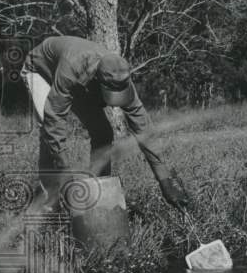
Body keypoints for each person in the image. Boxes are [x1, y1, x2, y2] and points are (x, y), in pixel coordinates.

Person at [20, 35, 190, 209]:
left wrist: (165, 179)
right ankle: (50, 200)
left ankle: (99, 193)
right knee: (47, 128)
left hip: (77, 78)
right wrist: (66, 176)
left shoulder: (121, 77)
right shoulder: (72, 68)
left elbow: (143, 128)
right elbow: (54, 120)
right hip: (40, 70)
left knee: (103, 134)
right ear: (97, 80)